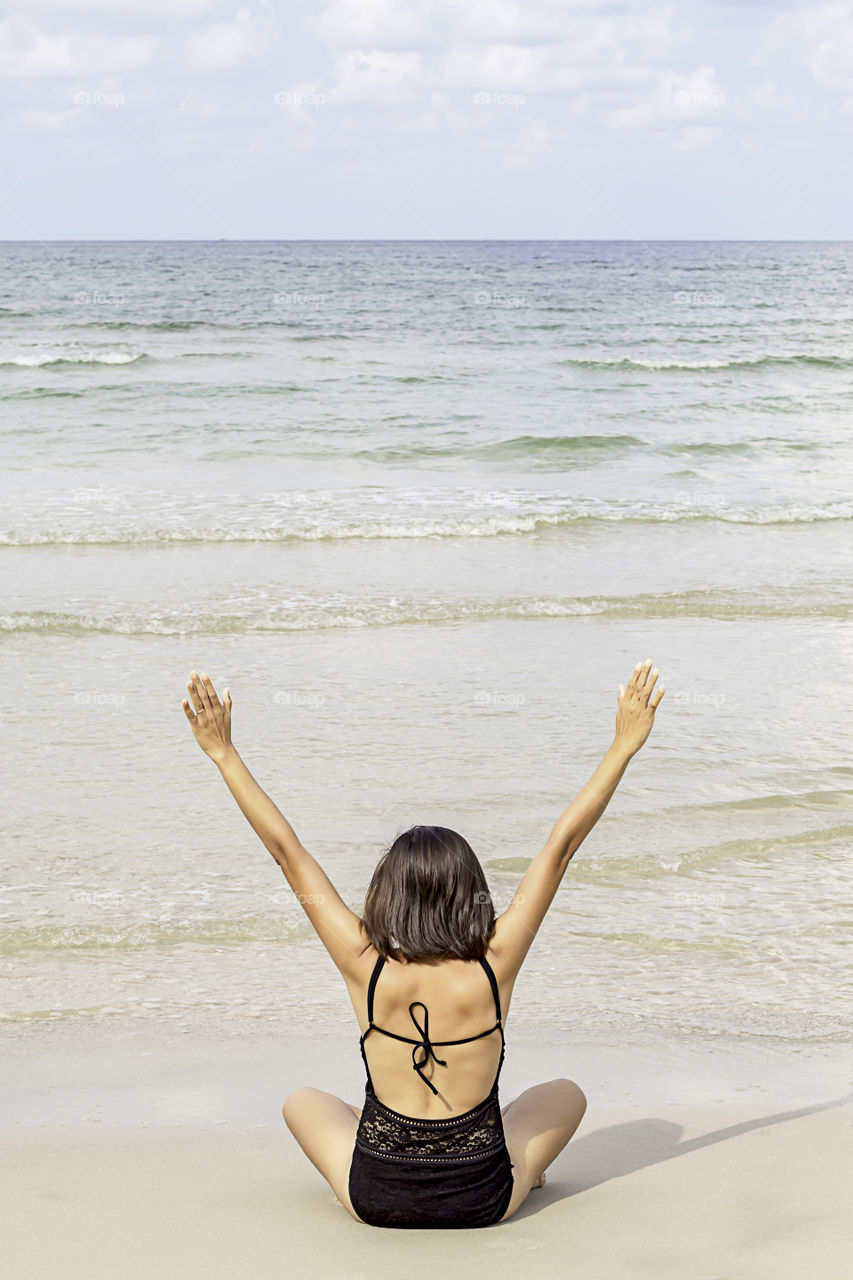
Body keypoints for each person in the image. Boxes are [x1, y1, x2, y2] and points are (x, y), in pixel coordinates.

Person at [182, 658, 665, 1227]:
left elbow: (288, 855)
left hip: (375, 1197)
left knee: (301, 1102)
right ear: (472, 892)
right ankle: (523, 1172)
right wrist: (623, 746)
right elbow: (560, 849)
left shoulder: (364, 962)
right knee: (568, 1093)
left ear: (388, 891)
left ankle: (443, 1162)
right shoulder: (496, 962)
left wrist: (224, 754)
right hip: (483, 1201)